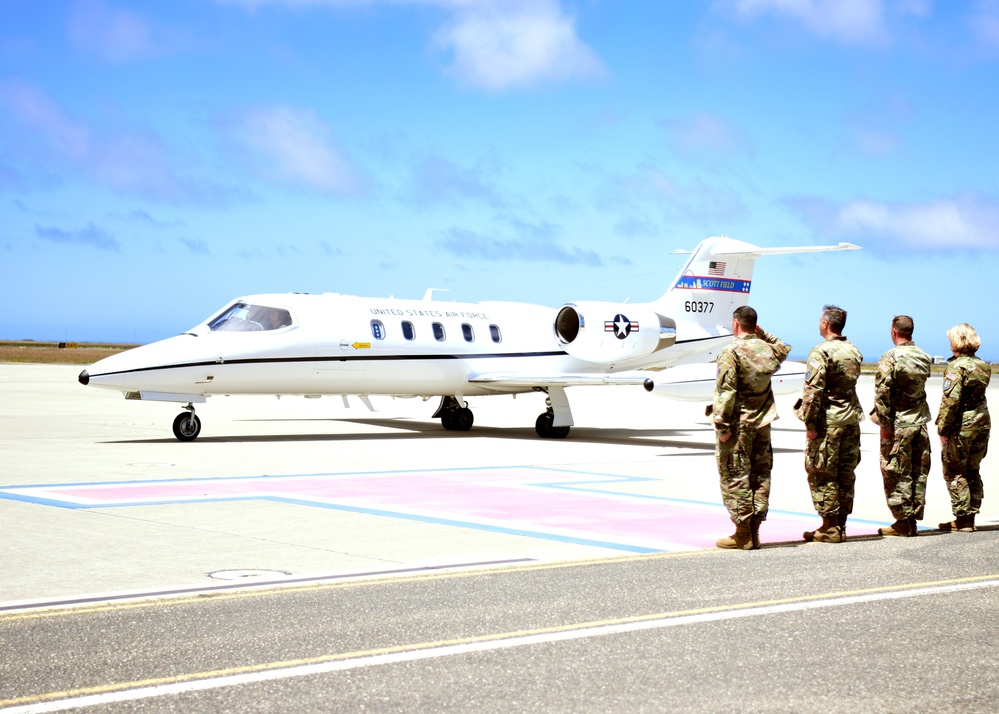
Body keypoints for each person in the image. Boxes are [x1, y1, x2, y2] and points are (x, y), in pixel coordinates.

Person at [712, 305, 791, 550]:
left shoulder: (730, 351)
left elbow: (726, 392)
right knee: (759, 474)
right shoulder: (768, 349)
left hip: (739, 424)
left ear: (735, 323)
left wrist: (722, 426)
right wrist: (762, 333)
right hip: (762, 422)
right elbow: (783, 347)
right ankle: (754, 531)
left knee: (735, 475)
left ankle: (743, 532)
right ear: (754, 325)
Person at [795, 305, 864, 543]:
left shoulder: (821, 352)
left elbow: (813, 391)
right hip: (851, 420)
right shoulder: (853, 350)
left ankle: (829, 527)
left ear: (825, 324)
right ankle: (840, 524)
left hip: (829, 422)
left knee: (822, 473)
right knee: (845, 473)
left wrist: (810, 424)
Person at [872, 315, 931, 537]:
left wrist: (884, 424)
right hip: (919, 422)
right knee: (918, 471)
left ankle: (903, 521)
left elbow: (882, 393)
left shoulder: (891, 357)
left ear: (894, 331)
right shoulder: (924, 356)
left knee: (896, 471)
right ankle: (913, 518)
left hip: (898, 424)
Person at [935, 323, 991, 532]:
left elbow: (951, 402)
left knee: (955, 470)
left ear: (957, 341)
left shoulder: (956, 367)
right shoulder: (983, 366)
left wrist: (943, 428)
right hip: (981, 423)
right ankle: (971, 515)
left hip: (962, 426)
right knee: (973, 470)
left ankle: (962, 518)